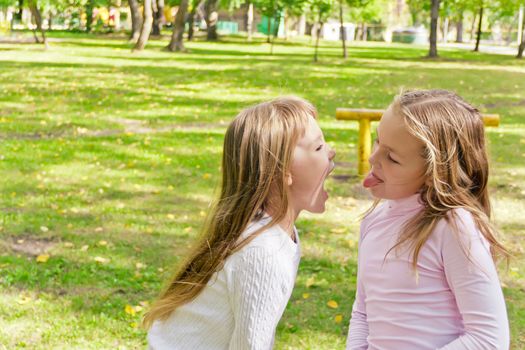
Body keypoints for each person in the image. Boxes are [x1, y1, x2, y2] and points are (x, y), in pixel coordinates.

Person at [144, 96, 336, 349]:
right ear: (282, 172)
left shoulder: (271, 234)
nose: (332, 151)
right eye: (319, 147)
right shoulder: (263, 251)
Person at [347, 89, 510, 350]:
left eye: (392, 157)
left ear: (435, 173)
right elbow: (363, 311)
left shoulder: (454, 227)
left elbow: (489, 338)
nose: (373, 158)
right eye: (378, 142)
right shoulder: (374, 220)